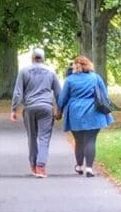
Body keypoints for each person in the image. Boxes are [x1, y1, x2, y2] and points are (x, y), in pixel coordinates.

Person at [56, 55, 113, 177]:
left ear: (75, 66)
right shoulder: (96, 78)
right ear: (89, 65)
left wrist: (59, 110)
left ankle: (79, 166)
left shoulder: (70, 80)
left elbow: (62, 98)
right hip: (94, 112)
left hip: (75, 112)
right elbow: (104, 95)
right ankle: (89, 168)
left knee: (79, 140)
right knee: (90, 140)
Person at [11, 46, 61, 178]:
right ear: (43, 58)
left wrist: (14, 109)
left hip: (30, 108)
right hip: (46, 108)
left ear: (32, 58)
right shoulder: (51, 72)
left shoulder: (24, 71)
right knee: (44, 137)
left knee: (32, 137)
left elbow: (17, 93)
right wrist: (59, 110)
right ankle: (41, 167)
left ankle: (33, 165)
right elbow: (58, 93)